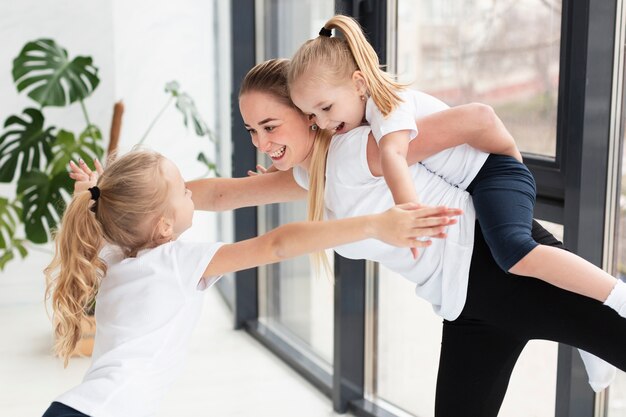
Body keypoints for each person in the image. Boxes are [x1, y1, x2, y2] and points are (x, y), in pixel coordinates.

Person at [70, 59, 626, 415]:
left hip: (499, 267)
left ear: (310, 117)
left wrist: (504, 161)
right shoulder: (315, 176)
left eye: (271, 126)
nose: (262, 142)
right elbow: (218, 194)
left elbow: (473, 123)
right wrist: (118, 194)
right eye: (251, 130)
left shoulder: (360, 152)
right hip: (464, 307)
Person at [43, 150, 456, 417]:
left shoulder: (117, 255)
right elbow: (277, 244)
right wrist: (373, 224)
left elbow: (102, 219)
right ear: (164, 226)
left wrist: (95, 191)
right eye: (185, 191)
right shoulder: (176, 261)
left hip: (81, 405)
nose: (193, 194)